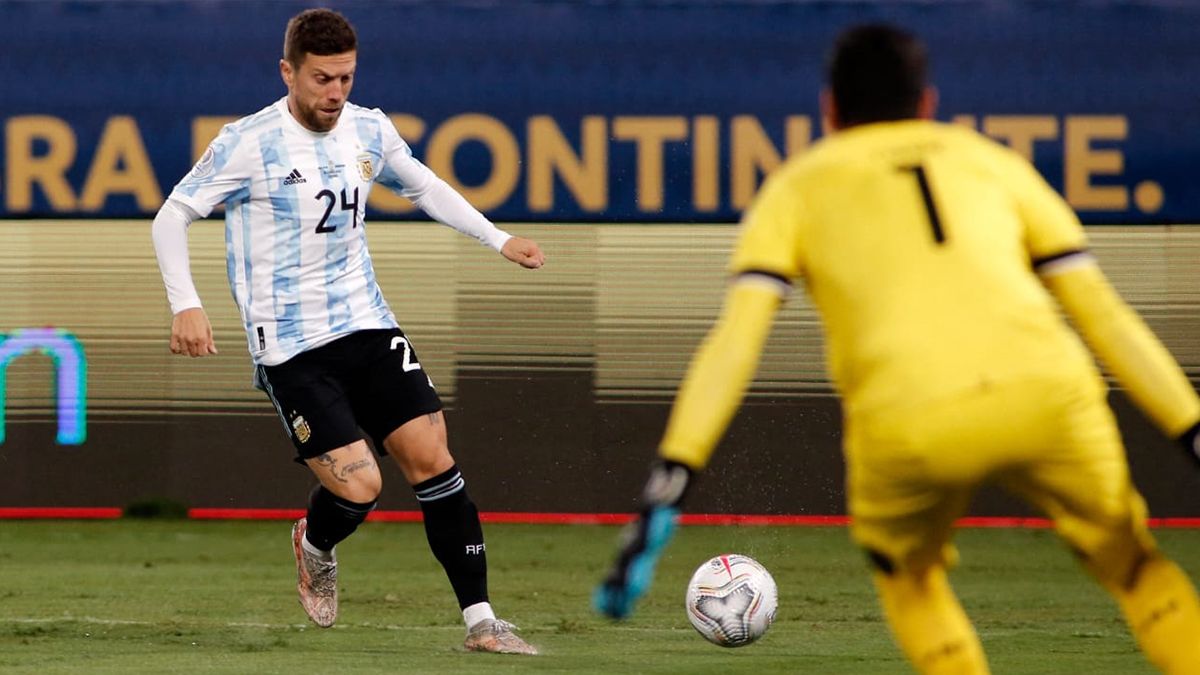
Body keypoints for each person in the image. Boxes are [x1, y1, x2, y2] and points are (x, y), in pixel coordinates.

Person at [594, 23, 1200, 674]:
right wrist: (1190, 427)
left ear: (829, 111)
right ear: (928, 104)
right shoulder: (994, 163)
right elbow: (1104, 316)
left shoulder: (795, 187)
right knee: (1136, 569)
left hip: (908, 419)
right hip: (1051, 397)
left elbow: (734, 343)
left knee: (911, 583)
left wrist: (673, 478)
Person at [151, 8, 543, 655]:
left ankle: (482, 622)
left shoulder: (369, 128)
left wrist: (498, 239)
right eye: (322, 78)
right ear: (289, 72)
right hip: (291, 346)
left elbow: (423, 185)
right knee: (361, 485)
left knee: (434, 458)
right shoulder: (249, 141)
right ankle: (316, 542)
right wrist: (186, 303)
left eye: (346, 77)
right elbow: (172, 215)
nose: (335, 92)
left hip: (365, 322)